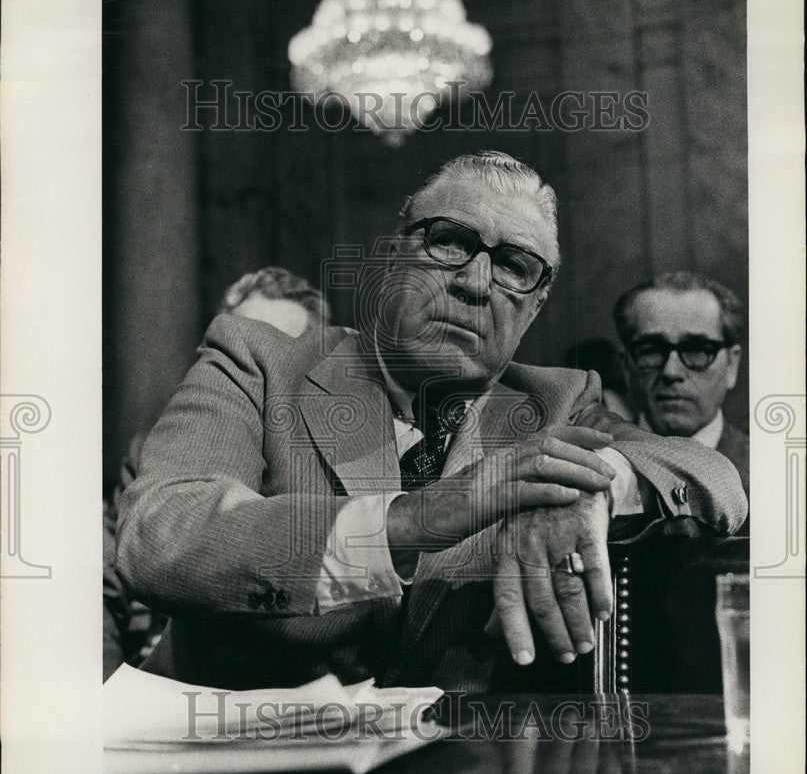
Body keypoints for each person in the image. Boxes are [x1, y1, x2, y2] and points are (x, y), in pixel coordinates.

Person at [117, 151, 747, 692]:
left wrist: (589, 486)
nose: (476, 283)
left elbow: (712, 474)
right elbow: (163, 535)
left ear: (535, 304)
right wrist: (411, 520)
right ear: (396, 255)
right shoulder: (260, 361)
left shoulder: (557, 402)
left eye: (515, 266)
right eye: (449, 241)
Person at [103, 266, 332, 680]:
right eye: (235, 344)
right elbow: (101, 589)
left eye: (274, 350)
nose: (249, 363)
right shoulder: (151, 455)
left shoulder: (335, 464)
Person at [612, 271, 749, 500]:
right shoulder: (599, 468)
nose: (671, 372)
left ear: (731, 365)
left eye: (697, 350)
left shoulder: (773, 472)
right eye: (651, 350)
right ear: (627, 366)